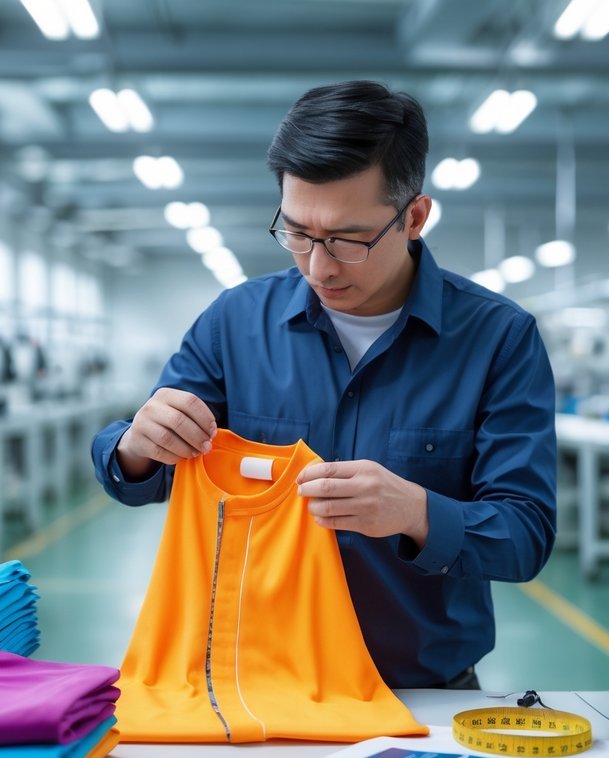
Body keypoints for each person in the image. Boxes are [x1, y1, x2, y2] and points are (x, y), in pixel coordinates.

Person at [92, 80, 556, 690]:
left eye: (346, 239)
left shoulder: (499, 339)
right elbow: (137, 476)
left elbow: (524, 535)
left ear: (414, 217)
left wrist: (415, 512)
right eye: (298, 233)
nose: (318, 265)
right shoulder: (235, 323)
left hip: (417, 695)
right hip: (245, 688)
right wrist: (136, 445)